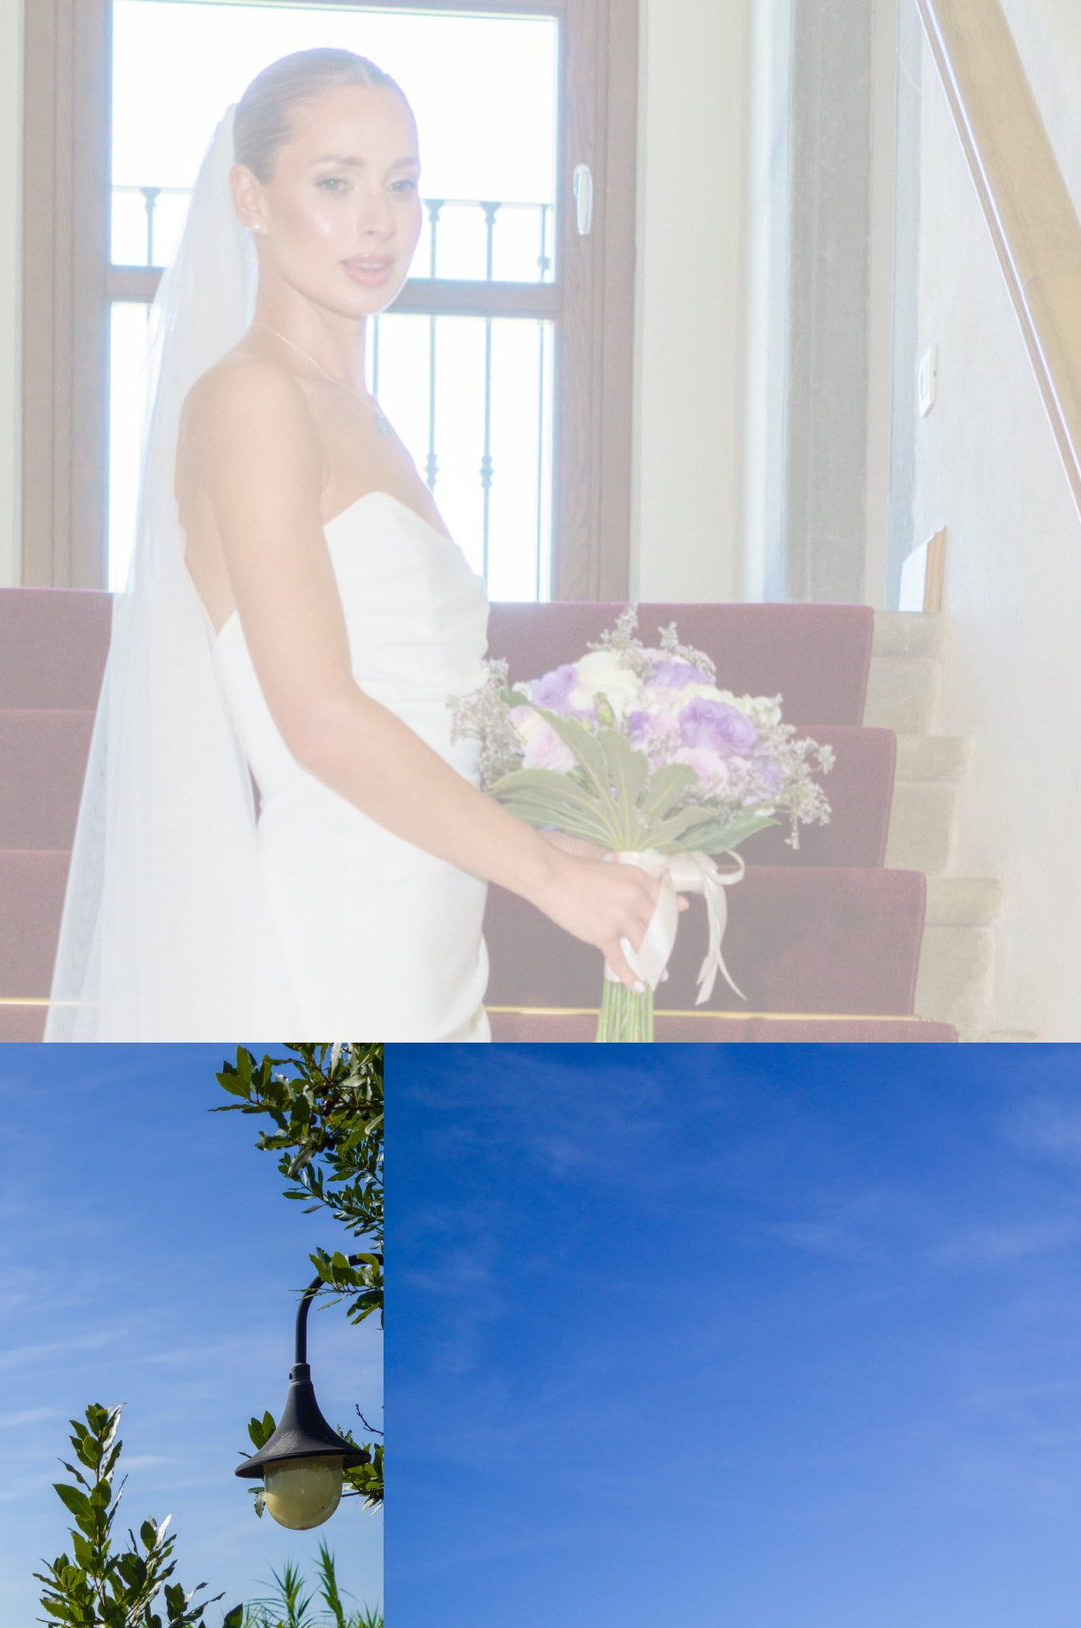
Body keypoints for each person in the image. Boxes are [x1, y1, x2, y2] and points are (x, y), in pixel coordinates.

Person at [45, 46, 666, 1042]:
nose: (378, 219)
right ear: (249, 196)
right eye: (335, 183)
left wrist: (553, 842)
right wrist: (549, 880)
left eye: (402, 185)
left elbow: (419, 711)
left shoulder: (364, 417)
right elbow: (322, 721)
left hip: (429, 910)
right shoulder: (251, 398)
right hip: (345, 909)